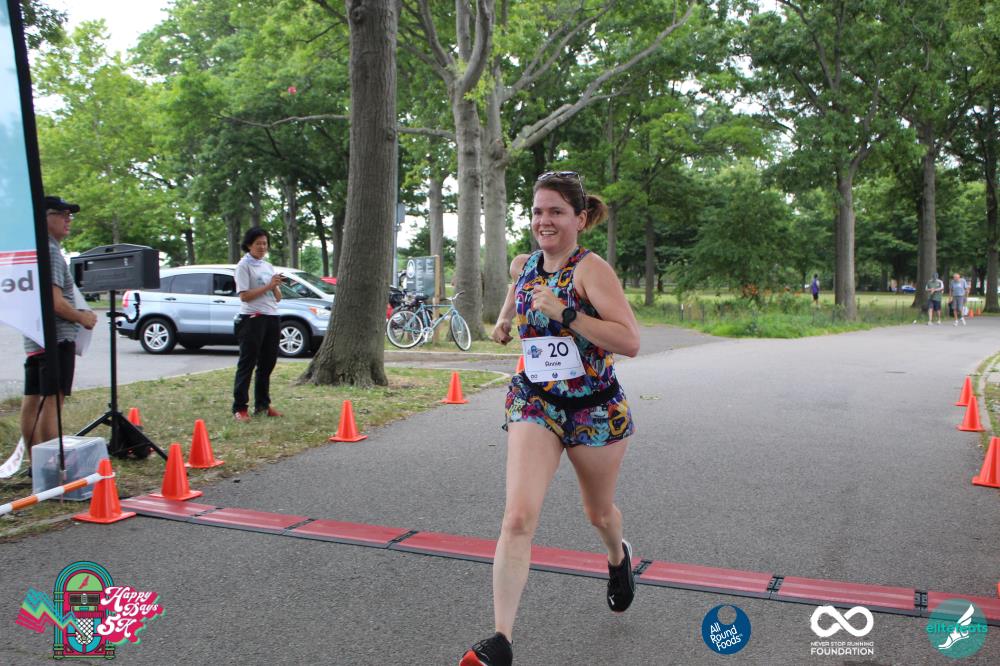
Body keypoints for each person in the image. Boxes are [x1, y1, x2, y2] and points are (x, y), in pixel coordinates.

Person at [461, 172, 641, 666]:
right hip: (535, 400)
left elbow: (629, 340)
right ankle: (500, 640)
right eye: (538, 211)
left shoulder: (591, 270)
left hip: (594, 408)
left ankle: (618, 556)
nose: (545, 220)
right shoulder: (524, 264)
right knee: (517, 517)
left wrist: (567, 315)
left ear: (579, 219)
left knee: (598, 513)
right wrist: (504, 319)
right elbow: (518, 289)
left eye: (556, 212)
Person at [20, 196, 99, 462]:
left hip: (34, 338)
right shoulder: (51, 250)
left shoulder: (31, 250)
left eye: (70, 215)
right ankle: (54, 467)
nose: (68, 220)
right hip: (56, 338)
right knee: (52, 402)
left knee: (33, 400)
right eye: (61, 214)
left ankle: (37, 465)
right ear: (43, 218)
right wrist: (81, 317)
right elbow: (54, 302)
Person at [232, 227, 283, 421]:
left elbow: (278, 297)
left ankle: (263, 405)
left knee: (267, 363)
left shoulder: (267, 266)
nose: (262, 247)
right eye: (258, 243)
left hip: (271, 317)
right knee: (247, 363)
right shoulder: (243, 266)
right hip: (252, 318)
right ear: (249, 245)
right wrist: (268, 285)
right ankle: (240, 407)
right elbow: (244, 296)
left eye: (265, 243)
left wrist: (275, 286)